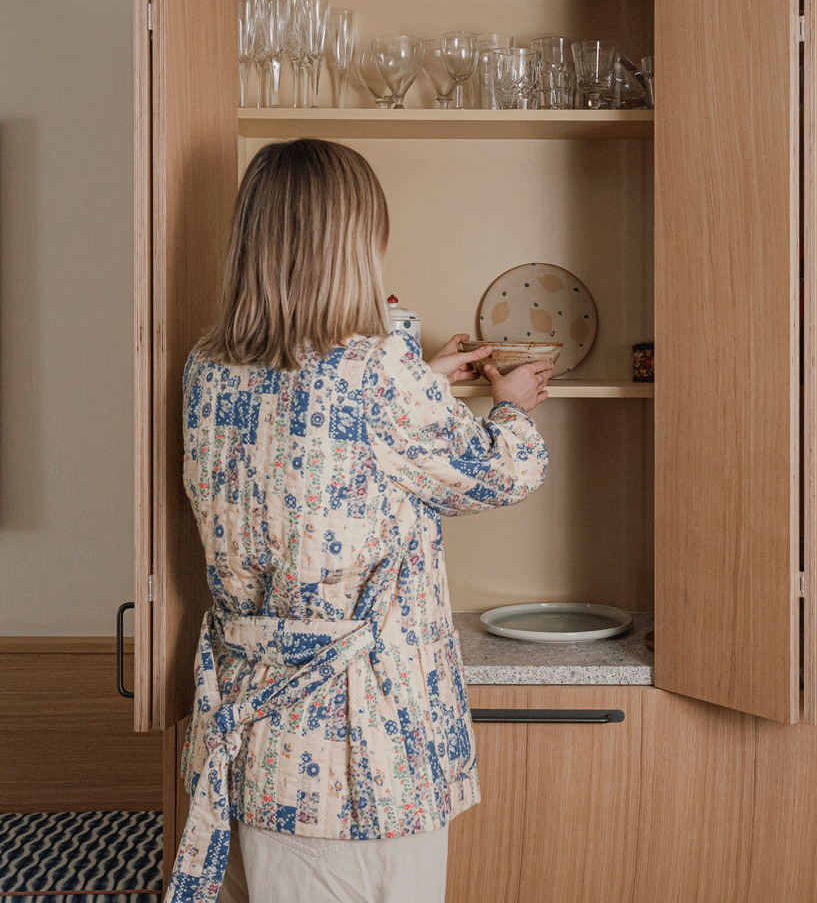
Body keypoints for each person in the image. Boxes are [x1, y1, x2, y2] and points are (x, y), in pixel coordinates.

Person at [167, 138, 553, 903]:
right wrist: (507, 408)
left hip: (256, 736)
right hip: (361, 746)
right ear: (352, 246)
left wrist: (424, 375)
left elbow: (322, 436)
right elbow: (501, 473)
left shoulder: (207, 368)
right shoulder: (377, 376)